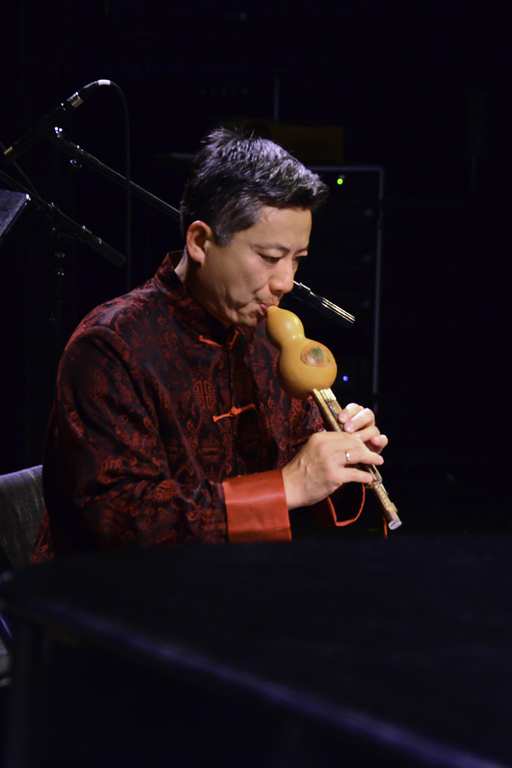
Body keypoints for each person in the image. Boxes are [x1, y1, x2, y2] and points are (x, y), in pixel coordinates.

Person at [31, 127, 387, 562]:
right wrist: (286, 486)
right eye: (271, 258)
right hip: (118, 597)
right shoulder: (110, 346)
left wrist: (342, 459)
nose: (285, 283)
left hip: (238, 588)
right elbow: (123, 521)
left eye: (297, 260)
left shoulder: (270, 341)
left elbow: (307, 478)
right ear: (200, 242)